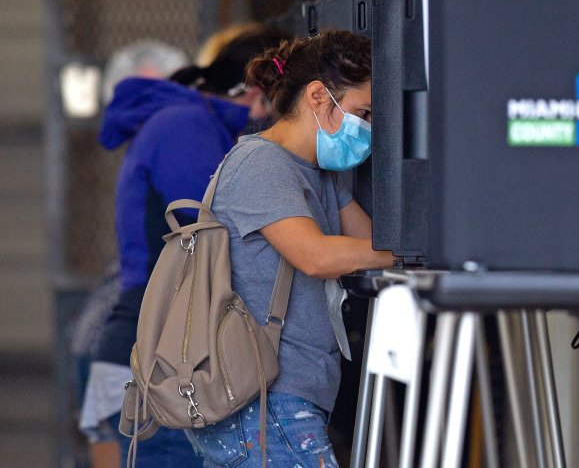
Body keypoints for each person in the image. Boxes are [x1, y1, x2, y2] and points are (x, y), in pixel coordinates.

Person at [81, 25, 289, 467]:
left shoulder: (184, 122)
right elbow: (212, 234)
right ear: (257, 90)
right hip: (159, 359)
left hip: (151, 352)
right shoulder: (184, 126)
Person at [184, 29, 394, 468]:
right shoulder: (261, 164)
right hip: (265, 402)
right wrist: (408, 255)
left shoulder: (316, 172)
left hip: (283, 399)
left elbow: (368, 239)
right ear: (319, 96)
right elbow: (316, 256)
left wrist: (393, 249)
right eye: (363, 112)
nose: (368, 128)